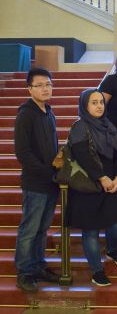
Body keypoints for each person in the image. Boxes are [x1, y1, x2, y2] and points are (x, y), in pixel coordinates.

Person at [66, 89, 117, 287]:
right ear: (84, 105)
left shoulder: (108, 126)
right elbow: (83, 156)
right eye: (94, 102)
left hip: (111, 184)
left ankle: (111, 249)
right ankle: (97, 270)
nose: (99, 105)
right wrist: (102, 178)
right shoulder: (80, 126)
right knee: (91, 231)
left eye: (101, 102)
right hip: (89, 186)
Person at [14, 68, 61, 293]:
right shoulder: (26, 113)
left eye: (48, 84)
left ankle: (39, 266)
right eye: (40, 85)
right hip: (35, 182)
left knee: (43, 230)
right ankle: (24, 272)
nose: (45, 88)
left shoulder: (48, 111)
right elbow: (23, 153)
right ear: (29, 88)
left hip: (51, 181)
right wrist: (46, 171)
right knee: (29, 230)